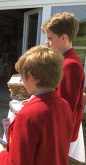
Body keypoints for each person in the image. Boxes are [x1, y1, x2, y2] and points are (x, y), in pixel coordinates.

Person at [0, 45, 73, 165]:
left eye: (22, 76)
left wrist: (1, 152)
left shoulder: (27, 116)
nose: (22, 81)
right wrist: (32, 104)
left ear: (31, 76)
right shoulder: (64, 105)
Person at [41, 12, 85, 142]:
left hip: (60, 132)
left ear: (64, 38)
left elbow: (65, 107)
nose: (46, 42)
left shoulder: (70, 65)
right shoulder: (63, 60)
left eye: (49, 38)